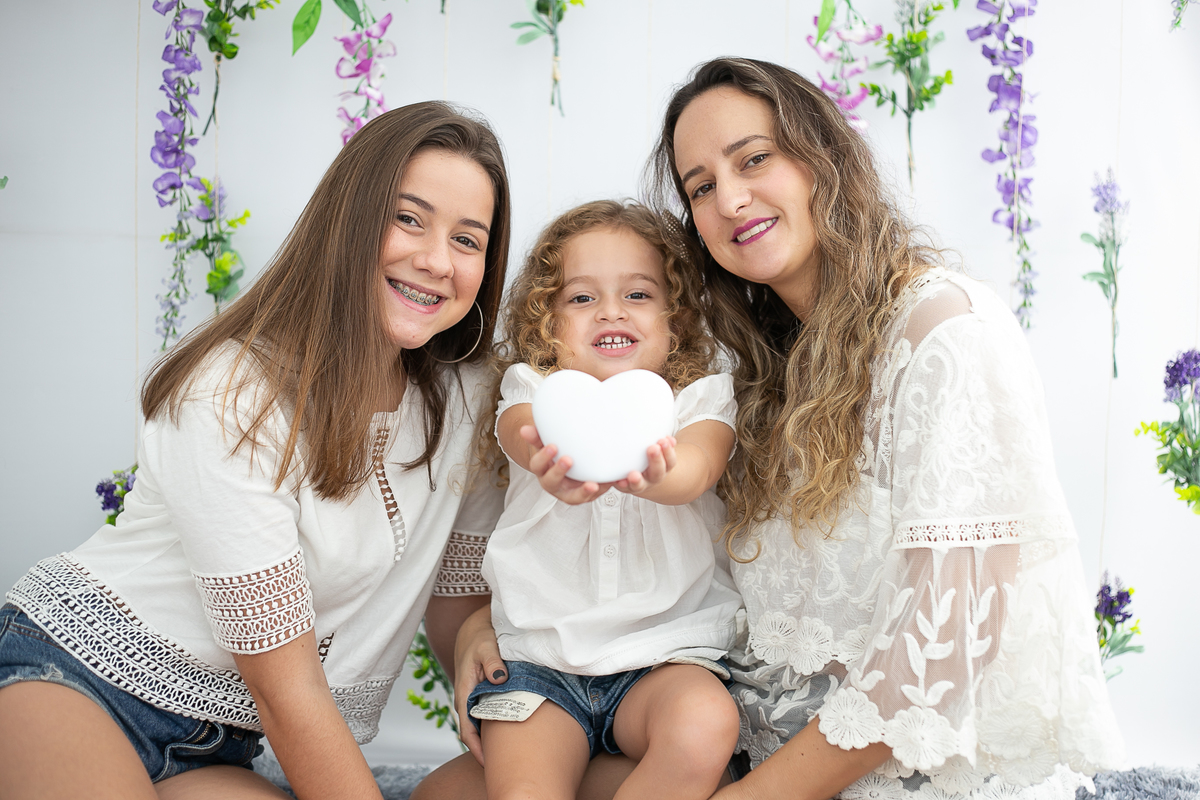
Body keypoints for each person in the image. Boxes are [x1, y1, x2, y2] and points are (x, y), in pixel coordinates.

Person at [425, 58, 1127, 800]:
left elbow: (941, 653)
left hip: (871, 771)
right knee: (448, 794)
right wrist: (486, 629)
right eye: (700, 186)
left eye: (754, 158)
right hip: (732, 738)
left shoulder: (944, 334)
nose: (729, 199)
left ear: (823, 158)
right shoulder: (761, 360)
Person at [0, 101, 511, 800]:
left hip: (218, 744)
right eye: (408, 219)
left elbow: (455, 599)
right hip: (73, 680)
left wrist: (480, 635)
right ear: (348, 221)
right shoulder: (233, 394)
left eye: (467, 240)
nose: (435, 261)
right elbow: (285, 690)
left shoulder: (470, 399)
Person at [465, 200, 743, 800]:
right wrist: (553, 460)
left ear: (675, 320)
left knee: (704, 727)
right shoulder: (534, 388)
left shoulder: (700, 398)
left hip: (667, 657)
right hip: (540, 663)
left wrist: (652, 475)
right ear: (547, 324)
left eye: (638, 294)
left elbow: (698, 466)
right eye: (582, 297)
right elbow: (521, 432)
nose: (611, 311)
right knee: (521, 790)